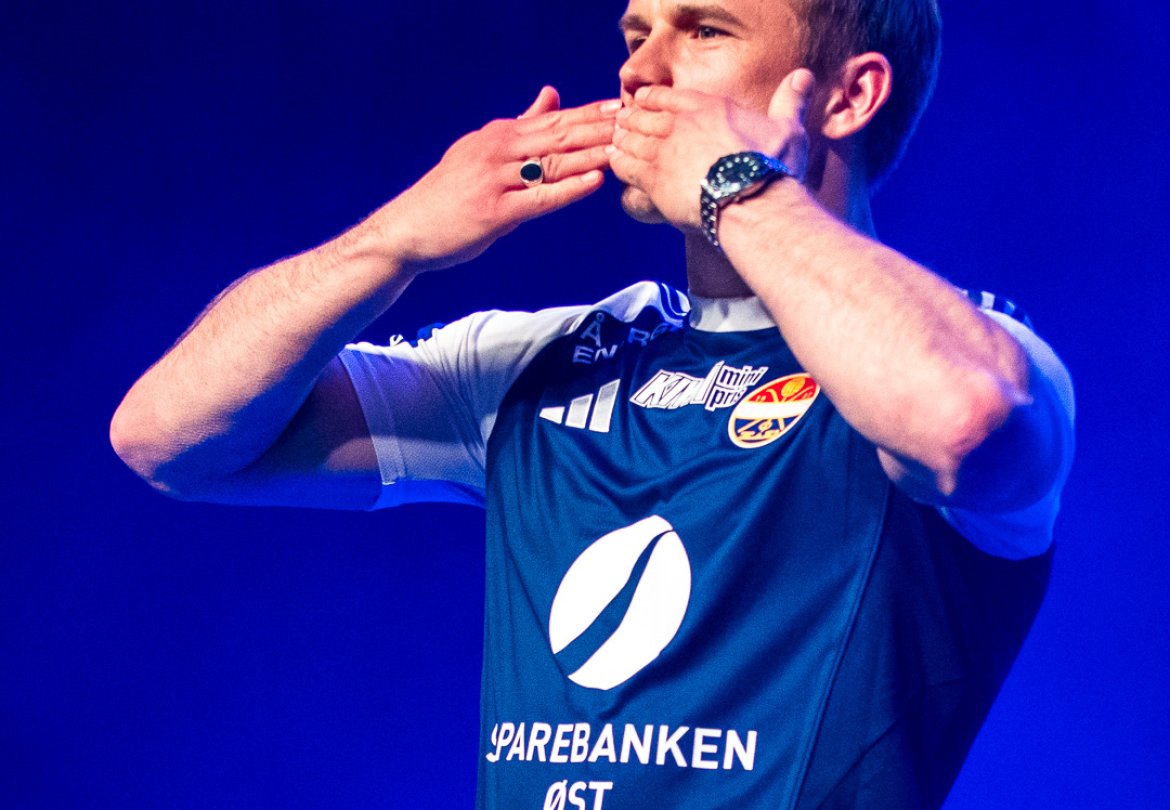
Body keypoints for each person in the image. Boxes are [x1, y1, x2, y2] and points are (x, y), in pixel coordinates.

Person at [111, 0, 1075, 806]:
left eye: (704, 30)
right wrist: (392, 242)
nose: (639, 70)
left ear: (849, 96)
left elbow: (960, 421)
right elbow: (168, 438)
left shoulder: (976, 350)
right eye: (635, 34)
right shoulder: (543, 360)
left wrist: (739, 188)